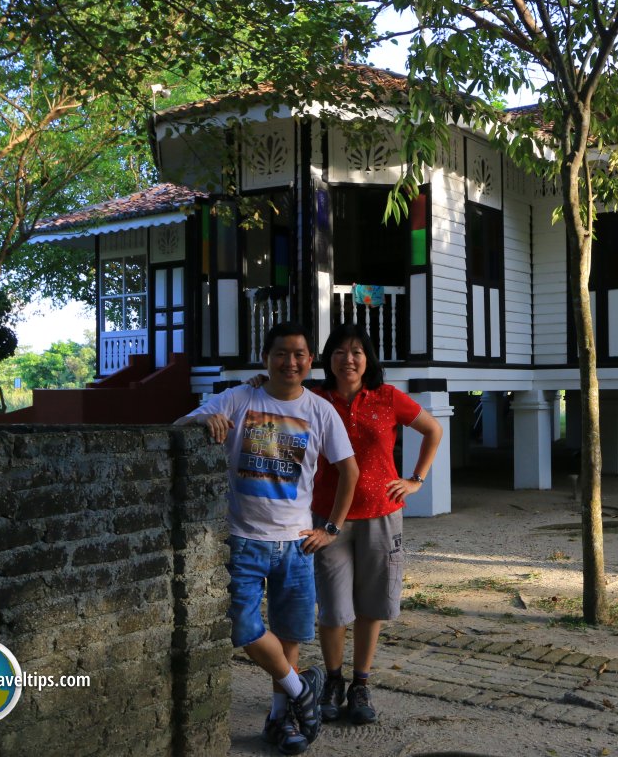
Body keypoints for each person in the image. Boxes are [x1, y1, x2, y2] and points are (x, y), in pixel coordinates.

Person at [175, 321, 359, 755]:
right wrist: (208, 416)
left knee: (289, 633)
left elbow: (349, 470)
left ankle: (280, 719)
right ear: (266, 358)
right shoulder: (240, 398)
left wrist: (330, 527)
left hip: (297, 542)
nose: (290, 362)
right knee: (243, 626)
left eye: (298, 354)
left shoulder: (319, 410)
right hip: (243, 539)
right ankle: (301, 690)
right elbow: (180, 424)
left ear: (309, 361)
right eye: (281, 353)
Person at [247, 324, 443, 726]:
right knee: (333, 609)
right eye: (339, 351)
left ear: (368, 359)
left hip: (382, 515)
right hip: (325, 519)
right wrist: (259, 382)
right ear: (327, 360)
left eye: (356, 351)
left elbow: (432, 429)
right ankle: (333, 681)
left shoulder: (387, 398)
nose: (348, 359)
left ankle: (361, 683)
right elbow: (277, 401)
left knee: (372, 605)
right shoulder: (315, 399)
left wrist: (415, 480)